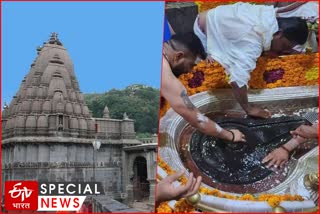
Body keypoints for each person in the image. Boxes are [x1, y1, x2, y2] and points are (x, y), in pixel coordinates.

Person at [194, 2, 309, 119]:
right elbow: (237, 81)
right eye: (284, 46)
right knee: (211, 67)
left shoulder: (268, 16)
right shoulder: (253, 42)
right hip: (203, 32)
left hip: (215, 18)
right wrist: (249, 108)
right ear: (279, 33)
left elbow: (286, 10)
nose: (283, 51)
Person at [162, 32, 246, 142]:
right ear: (179, 56)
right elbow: (198, 120)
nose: (190, 70)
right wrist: (231, 135)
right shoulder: (167, 77)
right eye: (191, 65)